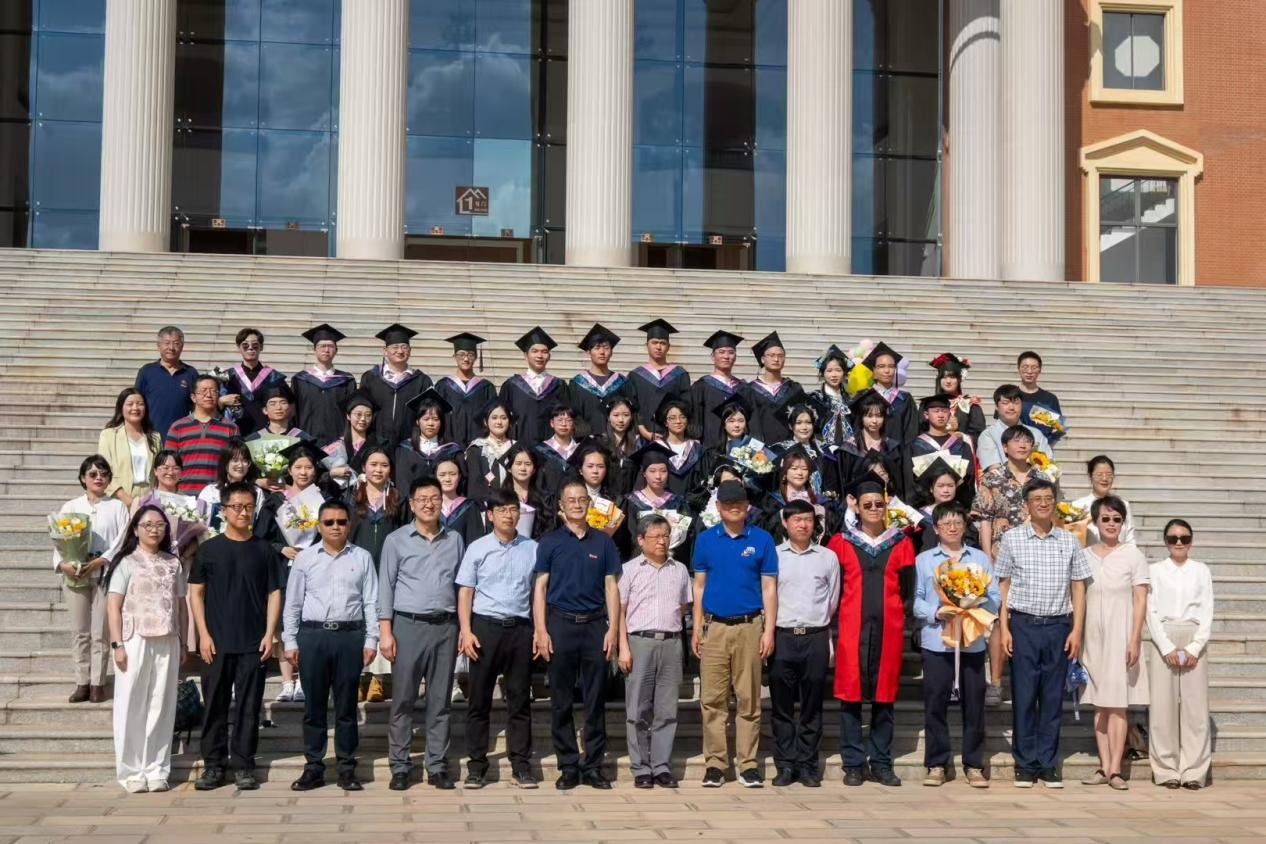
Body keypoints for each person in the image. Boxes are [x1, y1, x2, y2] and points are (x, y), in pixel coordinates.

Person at [994, 477, 1092, 788]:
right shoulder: (1012, 539)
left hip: (1059, 627)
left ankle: (1048, 764)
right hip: (1023, 626)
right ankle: (1025, 764)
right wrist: (1004, 628)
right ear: (1027, 505)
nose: (1043, 503)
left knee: (1051, 699)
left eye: (1048, 498)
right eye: (1037, 499)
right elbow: (1003, 585)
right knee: (1024, 697)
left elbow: (1079, 586)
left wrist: (1077, 630)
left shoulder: (1069, 540)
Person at [189, 481, 282, 791]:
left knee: (248, 705)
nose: (243, 512)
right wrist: (203, 634)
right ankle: (213, 765)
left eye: (249, 507)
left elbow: (274, 593)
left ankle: (243, 764)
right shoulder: (208, 550)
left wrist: (270, 633)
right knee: (214, 705)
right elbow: (195, 594)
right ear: (224, 510)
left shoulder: (264, 550)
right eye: (237, 507)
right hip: (215, 642)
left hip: (253, 642)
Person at [532, 479, 622, 790]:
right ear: (561, 505)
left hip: (595, 626)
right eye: (570, 500)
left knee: (595, 700)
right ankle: (568, 765)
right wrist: (541, 630)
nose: (577, 504)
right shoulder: (550, 542)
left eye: (582, 499)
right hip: (560, 625)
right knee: (561, 701)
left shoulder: (604, 542)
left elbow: (612, 588)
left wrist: (613, 629)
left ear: (589, 503)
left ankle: (593, 766)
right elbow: (540, 588)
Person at [284, 500, 379, 792]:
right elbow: (293, 603)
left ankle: (347, 768)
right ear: (319, 525)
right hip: (314, 636)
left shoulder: (362, 557)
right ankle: (314, 766)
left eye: (341, 522)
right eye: (329, 522)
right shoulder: (305, 558)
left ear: (349, 524)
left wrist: (371, 639)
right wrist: (290, 640)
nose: (336, 527)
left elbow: (370, 601)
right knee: (314, 707)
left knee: (347, 706)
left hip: (350, 637)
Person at [377, 477, 464, 791]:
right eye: (422, 499)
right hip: (408, 626)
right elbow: (385, 587)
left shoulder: (455, 539)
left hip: (446, 627)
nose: (429, 504)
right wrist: (385, 631)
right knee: (403, 699)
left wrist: (463, 628)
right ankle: (400, 766)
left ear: (442, 502)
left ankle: (437, 765)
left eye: (435, 498)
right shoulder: (396, 540)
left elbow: (462, 586)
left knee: (440, 701)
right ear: (411, 504)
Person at [829, 479, 917, 787]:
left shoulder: (901, 543)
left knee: (884, 698)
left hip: (889, 630)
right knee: (850, 697)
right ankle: (853, 764)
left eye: (879, 504)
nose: (874, 509)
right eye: (868, 504)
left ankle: (881, 763)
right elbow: (833, 589)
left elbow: (907, 590)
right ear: (855, 506)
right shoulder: (841, 543)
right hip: (851, 629)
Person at [691, 480, 778, 788]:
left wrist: (769, 630)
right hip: (714, 627)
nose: (734, 508)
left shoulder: (762, 539)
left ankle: (748, 764)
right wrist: (696, 628)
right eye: (728, 504)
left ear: (747, 506)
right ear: (718, 508)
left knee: (749, 699)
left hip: (749, 626)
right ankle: (715, 764)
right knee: (712, 700)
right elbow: (699, 586)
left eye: (739, 503)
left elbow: (769, 588)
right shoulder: (705, 540)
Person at [457, 488, 541, 789]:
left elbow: (537, 593)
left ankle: (521, 766)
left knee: (520, 701)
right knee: (479, 701)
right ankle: (477, 767)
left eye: (513, 509)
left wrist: (539, 630)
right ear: (490, 516)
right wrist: (466, 631)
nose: (509, 515)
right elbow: (465, 592)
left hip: (520, 629)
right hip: (485, 629)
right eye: (502, 510)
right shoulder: (477, 548)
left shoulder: (532, 548)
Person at [912, 502, 999, 788]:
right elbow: (917, 601)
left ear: (965, 526)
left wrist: (972, 604)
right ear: (936, 528)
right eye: (946, 523)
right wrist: (937, 612)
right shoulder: (924, 560)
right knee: (935, 704)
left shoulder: (980, 558)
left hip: (971, 642)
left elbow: (995, 597)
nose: (952, 527)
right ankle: (937, 764)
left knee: (974, 705)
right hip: (937, 642)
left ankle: (974, 764)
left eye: (957, 523)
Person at [105, 505, 185, 793]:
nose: (154, 529)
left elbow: (181, 605)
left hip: (168, 638)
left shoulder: (173, 563)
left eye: (160, 525)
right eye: (148, 524)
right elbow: (113, 606)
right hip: (134, 639)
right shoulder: (126, 562)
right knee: (131, 704)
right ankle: (131, 771)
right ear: (136, 530)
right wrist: (117, 644)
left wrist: (184, 641)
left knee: (161, 704)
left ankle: (157, 769)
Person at [1080, 496, 1150, 791]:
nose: (1111, 524)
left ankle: (1115, 769)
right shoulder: (1084, 555)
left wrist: (1135, 638)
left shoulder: (1133, 555)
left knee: (1118, 705)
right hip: (1093, 636)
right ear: (1096, 522)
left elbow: (1140, 599)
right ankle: (1103, 765)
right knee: (1099, 704)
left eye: (1116, 519)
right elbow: (1078, 597)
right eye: (1105, 519)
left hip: (1121, 633)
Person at [769, 499, 840, 788]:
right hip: (782, 636)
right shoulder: (773, 555)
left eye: (808, 519)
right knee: (782, 706)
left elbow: (832, 599)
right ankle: (785, 765)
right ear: (785, 523)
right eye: (796, 519)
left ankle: (809, 765)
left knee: (812, 705)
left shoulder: (827, 557)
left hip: (815, 636)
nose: (803, 524)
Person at [618, 513, 692, 789]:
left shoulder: (680, 570)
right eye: (656, 536)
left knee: (667, 708)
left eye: (665, 536)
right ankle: (640, 768)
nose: (662, 541)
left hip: (672, 642)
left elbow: (683, 607)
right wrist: (623, 647)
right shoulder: (629, 570)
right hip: (640, 642)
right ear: (641, 540)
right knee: (637, 709)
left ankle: (661, 766)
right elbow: (619, 611)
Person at [55, 455, 130, 703]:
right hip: (76, 576)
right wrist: (63, 564)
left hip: (105, 575)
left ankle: (98, 682)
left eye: (104, 474)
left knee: (101, 632)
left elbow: (122, 540)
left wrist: (103, 559)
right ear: (83, 478)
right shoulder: (70, 506)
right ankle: (82, 682)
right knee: (80, 631)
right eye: (93, 474)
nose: (99, 478)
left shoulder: (117, 507)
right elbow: (59, 539)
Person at [1146, 519, 1213, 790]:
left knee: (1195, 709)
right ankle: (1166, 769)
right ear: (1165, 541)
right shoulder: (1155, 571)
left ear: (1191, 541)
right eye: (1173, 538)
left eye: (1184, 538)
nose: (1178, 543)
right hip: (1164, 634)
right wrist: (1166, 647)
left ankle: (1194, 770)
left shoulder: (1201, 570)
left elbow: (1207, 609)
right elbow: (1150, 611)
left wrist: (1195, 647)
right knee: (1163, 707)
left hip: (1193, 633)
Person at [344, 446, 401, 703]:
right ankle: (358, 676)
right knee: (359, 621)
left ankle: (378, 679)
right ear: (364, 468)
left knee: (382, 620)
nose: (378, 470)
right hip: (356, 569)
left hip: (388, 570)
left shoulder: (398, 499)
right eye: (373, 465)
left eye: (384, 465)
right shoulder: (351, 498)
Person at [360, 324, 433, 452]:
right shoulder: (370, 378)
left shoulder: (422, 381)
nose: (400, 351)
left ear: (410, 351)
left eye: (404, 347)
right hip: (376, 446)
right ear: (385, 351)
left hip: (410, 447)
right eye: (395, 347)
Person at [166, 374, 239, 494]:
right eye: (203, 391)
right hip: (184, 496)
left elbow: (236, 464)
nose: (209, 395)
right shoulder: (177, 427)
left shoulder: (231, 428)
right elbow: (168, 464)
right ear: (193, 397)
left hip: (217, 495)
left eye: (213, 391)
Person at [620, 441, 694, 559]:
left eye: (663, 471)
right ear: (644, 473)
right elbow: (628, 538)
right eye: (652, 471)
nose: (658, 476)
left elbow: (686, 536)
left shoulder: (677, 502)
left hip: (671, 559)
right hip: (640, 560)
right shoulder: (632, 502)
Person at [500, 326, 569, 446]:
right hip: (520, 448)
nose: (540, 356)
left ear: (549, 356)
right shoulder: (512, 385)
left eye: (544, 352)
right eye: (535, 351)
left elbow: (568, 418)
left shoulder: (559, 386)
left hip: (552, 449)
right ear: (526, 355)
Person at [905, 394, 976, 510]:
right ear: (926, 415)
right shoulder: (914, 446)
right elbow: (909, 479)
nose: (941, 415)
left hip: (955, 506)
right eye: (936, 411)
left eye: (944, 411)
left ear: (950, 414)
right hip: (924, 507)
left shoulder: (961, 445)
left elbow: (968, 476)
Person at [291, 324, 357, 445]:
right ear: (314, 350)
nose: (326, 350)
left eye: (330, 346)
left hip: (337, 443)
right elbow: (293, 413)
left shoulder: (346, 380)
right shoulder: (299, 380)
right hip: (306, 440)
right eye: (322, 346)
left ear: (336, 351)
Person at [627, 319, 691, 442]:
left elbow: (686, 406)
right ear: (647, 345)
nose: (658, 347)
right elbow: (632, 407)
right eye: (654, 342)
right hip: (643, 437)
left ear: (668, 347)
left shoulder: (680, 374)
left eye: (662, 343)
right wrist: (643, 431)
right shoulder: (635, 376)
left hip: (674, 437)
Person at [98, 388, 162, 508]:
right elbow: (103, 470)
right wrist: (125, 498)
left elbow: (159, 470)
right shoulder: (108, 436)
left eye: (140, 404)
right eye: (130, 404)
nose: (135, 408)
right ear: (121, 408)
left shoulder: (155, 437)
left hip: (148, 498)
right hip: (118, 498)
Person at [393, 387, 464, 493]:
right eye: (426, 419)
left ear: (441, 422)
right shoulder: (405, 449)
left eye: (435, 419)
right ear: (417, 421)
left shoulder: (452, 451)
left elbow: (461, 484)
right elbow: (402, 484)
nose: (430, 423)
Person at [570, 323, 635, 438]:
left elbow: (631, 413)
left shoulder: (622, 382)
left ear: (611, 352)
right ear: (588, 352)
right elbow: (575, 416)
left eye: (606, 347)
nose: (602, 352)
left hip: (617, 441)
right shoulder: (577, 383)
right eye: (597, 347)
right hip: (587, 442)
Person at [220, 328, 288, 437]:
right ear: (238, 348)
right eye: (245, 345)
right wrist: (221, 401)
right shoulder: (228, 377)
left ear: (261, 347)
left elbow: (289, 406)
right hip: (236, 434)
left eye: (255, 345)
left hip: (266, 436)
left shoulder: (274, 377)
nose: (250, 348)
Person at [134, 326, 197, 445]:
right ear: (158, 346)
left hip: (181, 437)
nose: (171, 348)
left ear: (182, 346)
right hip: (151, 437)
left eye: (176, 343)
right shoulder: (147, 371)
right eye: (167, 343)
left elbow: (197, 407)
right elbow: (136, 402)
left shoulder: (191, 373)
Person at [741, 331, 806, 445]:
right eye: (771, 355)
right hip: (760, 450)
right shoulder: (749, 390)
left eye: (780, 356)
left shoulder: (794, 388)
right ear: (762, 359)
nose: (776, 359)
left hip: (791, 447)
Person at [838, 389, 904, 499]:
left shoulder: (892, 447)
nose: (875, 421)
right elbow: (843, 483)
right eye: (869, 416)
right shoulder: (848, 449)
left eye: (879, 416)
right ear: (861, 418)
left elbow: (899, 483)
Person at [434, 333, 496, 448]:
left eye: (470, 355)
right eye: (461, 354)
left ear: (476, 357)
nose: (466, 359)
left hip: (479, 447)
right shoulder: (443, 386)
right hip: (449, 447)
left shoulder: (486, 387)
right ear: (454, 356)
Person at [977, 384, 1052, 471]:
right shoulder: (988, 435)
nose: (1011, 407)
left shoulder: (1036, 434)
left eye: (1016, 403)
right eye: (1005, 403)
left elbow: (1049, 466)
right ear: (996, 406)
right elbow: (994, 470)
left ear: (1022, 405)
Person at [690, 330, 745, 449]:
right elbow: (696, 419)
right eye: (721, 352)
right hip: (710, 448)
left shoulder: (743, 387)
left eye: (731, 352)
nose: (726, 356)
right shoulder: (701, 386)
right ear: (712, 356)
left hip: (739, 449)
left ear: (735, 357)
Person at [195, 438, 264, 533]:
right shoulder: (210, 491)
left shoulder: (257, 492)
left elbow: (260, 525)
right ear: (225, 463)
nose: (240, 465)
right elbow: (198, 522)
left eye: (245, 461)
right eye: (235, 460)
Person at [913, 458, 978, 553]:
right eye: (940, 486)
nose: (946, 490)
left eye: (950, 486)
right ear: (931, 488)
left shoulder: (963, 513)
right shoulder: (920, 516)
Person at [325, 390, 388, 488]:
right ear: (348, 416)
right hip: (340, 495)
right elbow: (321, 478)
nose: (363, 419)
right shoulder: (337, 446)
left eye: (368, 415)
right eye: (358, 414)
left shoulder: (381, 444)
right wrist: (332, 473)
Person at [1072, 455, 1136, 545]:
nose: (1104, 479)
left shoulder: (1123, 505)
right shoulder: (1077, 506)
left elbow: (1130, 539)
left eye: (1109, 475)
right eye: (1099, 475)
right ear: (1090, 476)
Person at [862, 341, 916, 444]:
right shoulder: (864, 397)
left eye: (891, 366)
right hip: (870, 452)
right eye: (881, 366)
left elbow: (911, 432)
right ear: (874, 371)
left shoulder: (905, 399)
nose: (887, 371)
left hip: (898, 452)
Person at [464, 399, 516, 504]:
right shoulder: (476, 449)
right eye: (494, 418)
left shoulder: (516, 448)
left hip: (513, 505)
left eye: (504, 418)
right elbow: (475, 486)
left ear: (509, 421)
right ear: (485, 421)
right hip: (486, 507)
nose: (499, 422)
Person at [656, 396, 705, 498]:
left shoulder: (697, 449)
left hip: (692, 502)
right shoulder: (656, 448)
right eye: (672, 418)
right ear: (665, 422)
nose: (678, 421)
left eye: (682, 417)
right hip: (663, 502)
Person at [930, 353, 985, 443]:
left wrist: (961, 436)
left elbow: (979, 435)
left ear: (959, 379)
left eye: (952, 377)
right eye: (944, 377)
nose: (948, 381)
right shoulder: (928, 405)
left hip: (962, 450)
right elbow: (919, 432)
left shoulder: (970, 405)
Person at [808, 345, 853, 451]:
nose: (834, 375)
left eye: (838, 370)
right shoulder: (814, 398)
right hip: (822, 451)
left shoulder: (851, 400)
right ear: (822, 373)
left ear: (844, 373)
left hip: (848, 452)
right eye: (829, 371)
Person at [501, 442, 550, 539]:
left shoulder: (544, 499)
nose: (523, 468)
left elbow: (548, 528)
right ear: (509, 468)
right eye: (518, 464)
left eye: (528, 464)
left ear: (534, 470)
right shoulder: (501, 498)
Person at [533, 403, 580, 502]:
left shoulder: (580, 450)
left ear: (574, 424)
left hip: (576, 501)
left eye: (568, 420)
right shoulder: (541, 450)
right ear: (552, 423)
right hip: (548, 502)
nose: (564, 424)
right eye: (560, 420)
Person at [599, 395, 642, 497]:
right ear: (608, 417)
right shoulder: (600, 442)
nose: (621, 420)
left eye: (626, 415)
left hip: (631, 499)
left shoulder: (639, 444)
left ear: (631, 417)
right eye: (616, 415)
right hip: (604, 499)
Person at [438, 457, 486, 546]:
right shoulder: (429, 507)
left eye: (452, 474)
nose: (447, 479)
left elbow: (475, 543)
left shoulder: (469, 507)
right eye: (442, 475)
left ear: (459, 477)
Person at [243, 382, 309, 444]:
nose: (278, 407)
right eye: (272, 403)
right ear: (265, 410)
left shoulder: (303, 439)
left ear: (290, 408)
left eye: (283, 402)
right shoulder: (253, 440)